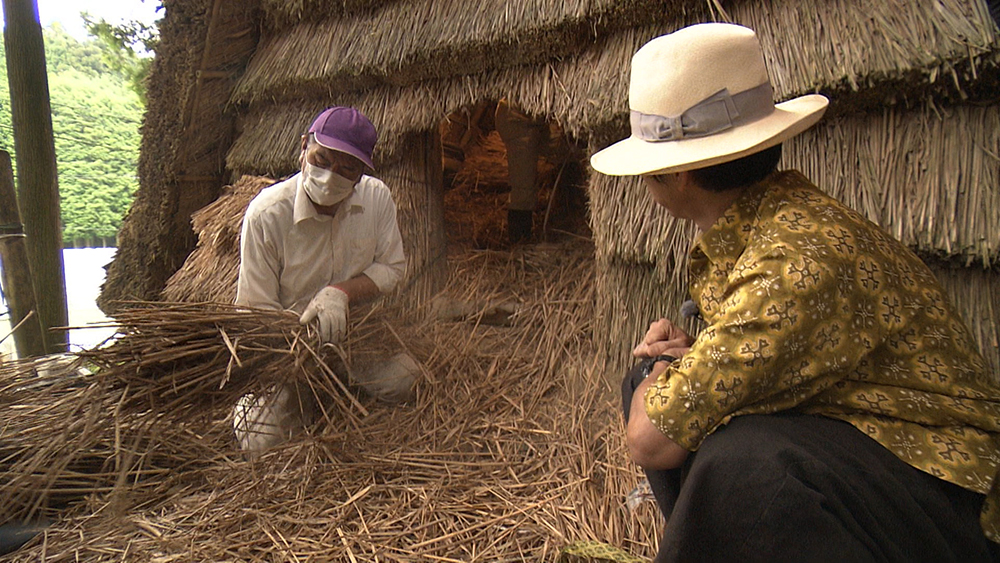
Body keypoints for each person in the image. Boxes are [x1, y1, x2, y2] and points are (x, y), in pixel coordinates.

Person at [590, 23, 1000, 561]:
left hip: (952, 489)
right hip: (874, 441)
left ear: (678, 173)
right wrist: (689, 360)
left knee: (741, 461)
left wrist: (664, 372)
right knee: (654, 392)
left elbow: (648, 440)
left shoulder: (791, 265)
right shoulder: (770, 218)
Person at [233, 106, 409, 451]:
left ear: (362, 174)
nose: (330, 177)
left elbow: (392, 269)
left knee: (406, 380)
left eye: (347, 169)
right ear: (303, 147)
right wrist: (302, 347)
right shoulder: (267, 215)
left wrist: (339, 292)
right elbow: (255, 311)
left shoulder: (377, 198)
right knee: (262, 440)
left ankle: (339, 387)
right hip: (289, 352)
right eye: (322, 160)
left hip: (354, 338)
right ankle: (264, 401)